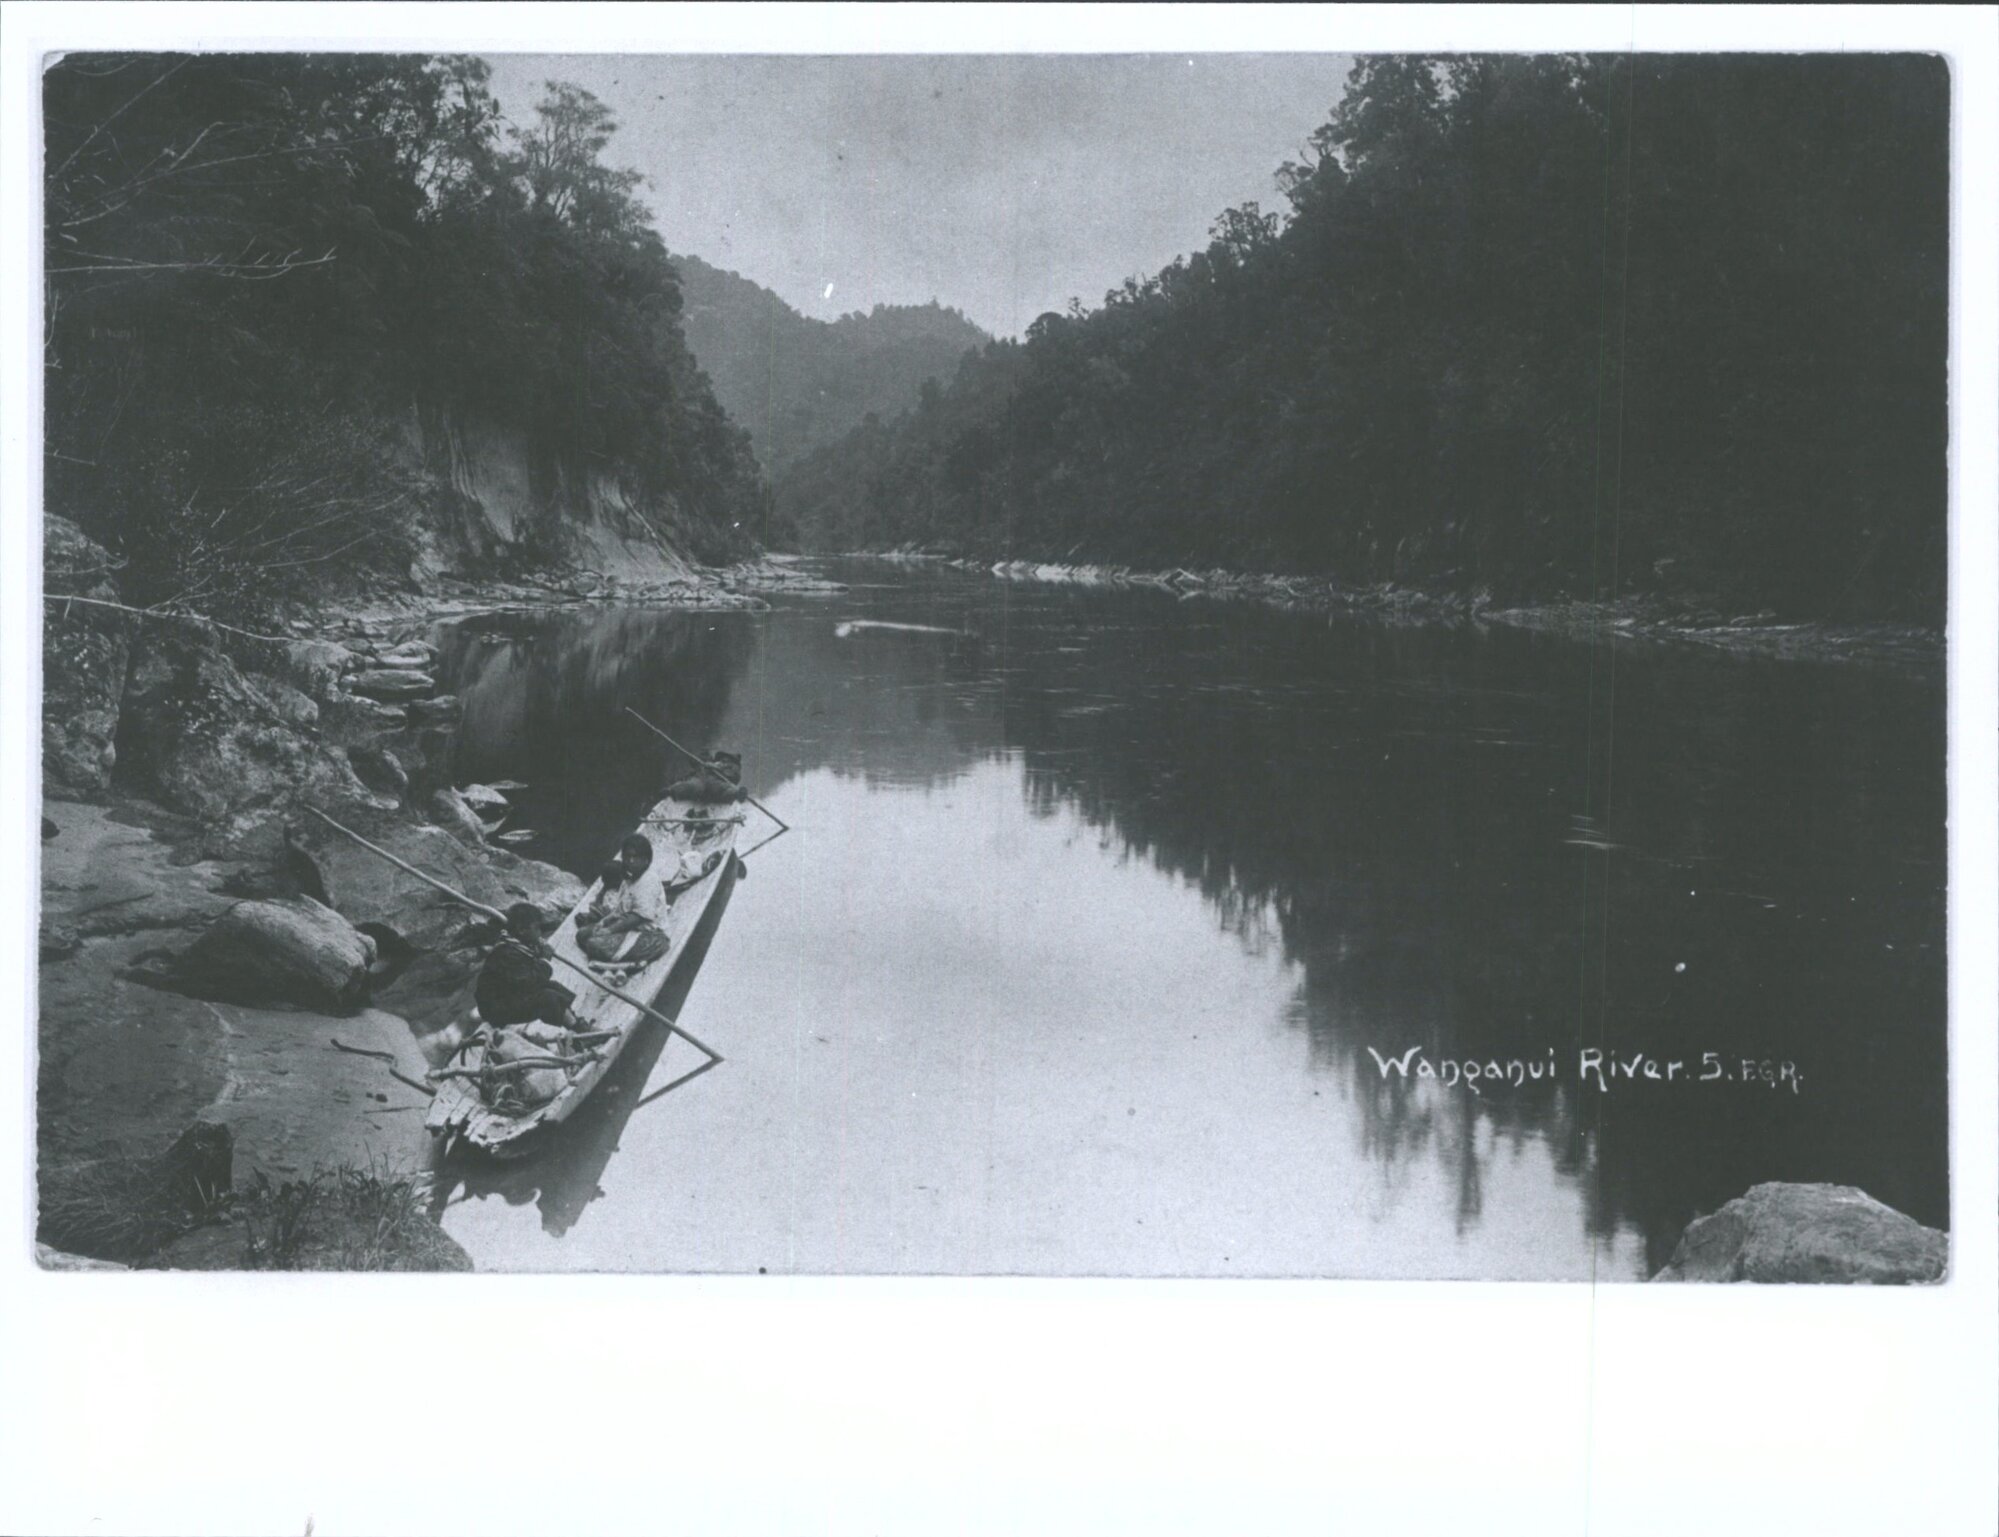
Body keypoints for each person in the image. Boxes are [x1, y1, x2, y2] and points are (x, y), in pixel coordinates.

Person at [474, 903, 579, 1030]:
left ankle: (573, 1021)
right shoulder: (506, 953)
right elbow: (530, 981)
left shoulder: (518, 945)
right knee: (547, 997)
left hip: (510, 995)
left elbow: (527, 975)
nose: (540, 933)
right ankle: (577, 1029)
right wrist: (545, 960)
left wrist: (539, 953)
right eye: (537, 928)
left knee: (553, 986)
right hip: (495, 1010)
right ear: (522, 930)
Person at [574, 836, 670, 967]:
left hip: (651, 936)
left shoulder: (648, 880)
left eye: (635, 857)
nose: (630, 861)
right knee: (582, 935)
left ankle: (624, 962)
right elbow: (619, 911)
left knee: (593, 944)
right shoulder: (628, 879)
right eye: (627, 856)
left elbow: (637, 917)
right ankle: (620, 957)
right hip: (630, 930)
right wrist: (604, 922)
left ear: (646, 860)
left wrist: (609, 931)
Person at [665, 748, 747, 804]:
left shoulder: (732, 767)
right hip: (702, 782)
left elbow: (731, 780)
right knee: (692, 786)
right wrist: (709, 766)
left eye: (726, 761)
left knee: (722, 789)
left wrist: (718, 768)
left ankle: (737, 794)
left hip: (717, 784)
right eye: (723, 760)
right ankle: (670, 791)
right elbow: (690, 779)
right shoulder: (710, 764)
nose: (724, 762)